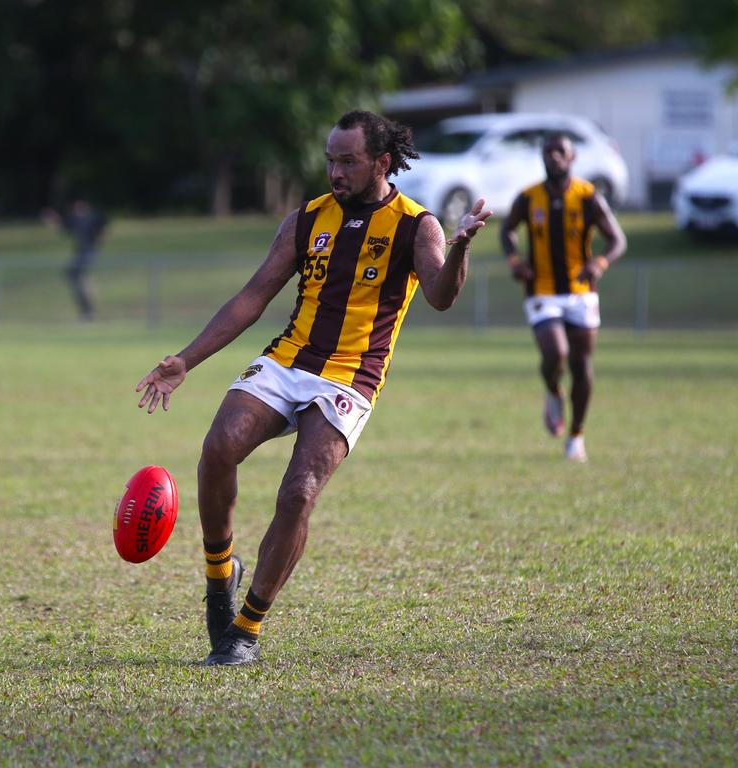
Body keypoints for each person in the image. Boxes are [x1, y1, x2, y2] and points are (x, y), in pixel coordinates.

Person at [136, 110, 492, 666]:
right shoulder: (307, 220)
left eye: (347, 161)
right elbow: (252, 298)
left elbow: (441, 295)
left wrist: (462, 247)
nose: (335, 171)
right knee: (217, 448)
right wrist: (187, 359)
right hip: (289, 357)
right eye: (330, 160)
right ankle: (219, 571)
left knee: (299, 491)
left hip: (353, 374)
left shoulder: (416, 225)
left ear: (381, 161)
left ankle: (246, 630)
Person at [500, 133, 626, 463]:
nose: (554, 157)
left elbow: (617, 240)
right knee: (556, 352)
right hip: (541, 290)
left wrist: (599, 263)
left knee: (581, 365)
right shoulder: (528, 198)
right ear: (542, 158)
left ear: (572, 159)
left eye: (561, 152)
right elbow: (506, 230)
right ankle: (554, 391)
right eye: (548, 152)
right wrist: (515, 261)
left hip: (581, 293)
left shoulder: (588, 197)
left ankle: (576, 436)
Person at [43, 199, 107, 321]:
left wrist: (98, 247)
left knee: (74, 274)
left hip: (88, 252)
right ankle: (87, 301)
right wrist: (53, 220)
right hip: (80, 253)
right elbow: (62, 228)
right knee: (73, 275)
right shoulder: (76, 219)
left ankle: (88, 309)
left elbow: (103, 230)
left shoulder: (94, 217)